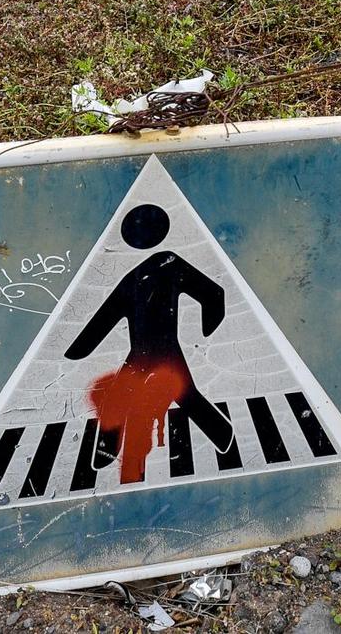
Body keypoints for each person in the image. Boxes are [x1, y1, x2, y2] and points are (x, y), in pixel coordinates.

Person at [65, 204, 234, 483]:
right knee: (125, 397)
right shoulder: (134, 278)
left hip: (166, 350)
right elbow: (104, 318)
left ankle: (223, 433)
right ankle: (106, 452)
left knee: (186, 395)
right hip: (142, 353)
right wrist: (79, 350)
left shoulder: (167, 263)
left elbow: (210, 292)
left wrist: (210, 321)